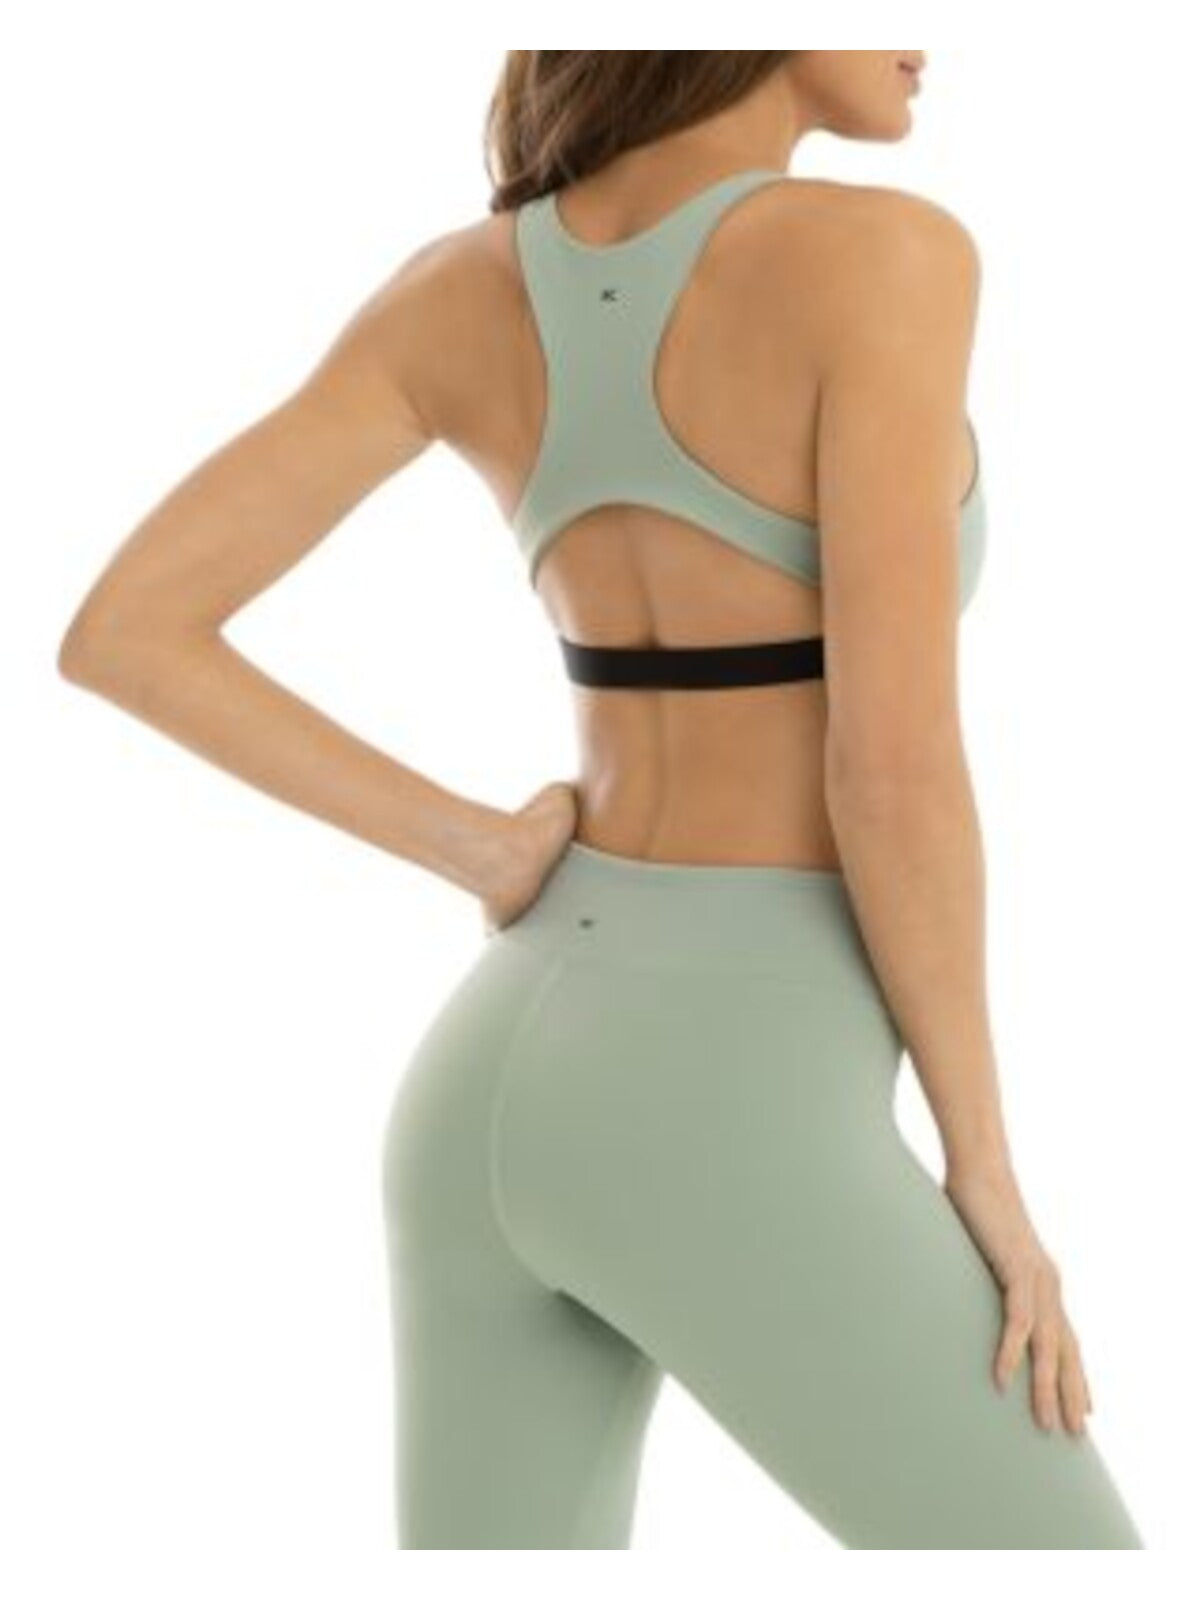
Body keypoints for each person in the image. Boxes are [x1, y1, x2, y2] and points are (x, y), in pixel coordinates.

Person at [57, 52, 1145, 1550]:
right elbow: (890, 775)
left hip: (488, 1086)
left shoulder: (457, 292)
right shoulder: (883, 257)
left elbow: (128, 630)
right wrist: (989, 1179)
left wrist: (481, 849)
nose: (926, 35)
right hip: (726, 1088)